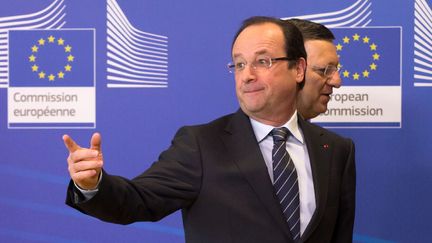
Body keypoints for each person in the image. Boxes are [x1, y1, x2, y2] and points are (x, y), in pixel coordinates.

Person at [64, 16, 355, 243]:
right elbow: (136, 201)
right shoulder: (201, 145)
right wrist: (93, 185)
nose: (247, 75)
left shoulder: (336, 150)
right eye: (239, 65)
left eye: (263, 61)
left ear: (299, 69)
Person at [286, 18, 342, 120]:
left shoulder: (322, 136)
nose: (337, 82)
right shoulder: (248, 133)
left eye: (335, 69)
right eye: (323, 70)